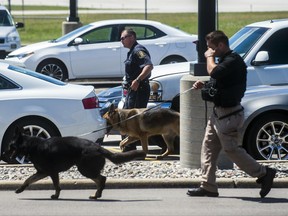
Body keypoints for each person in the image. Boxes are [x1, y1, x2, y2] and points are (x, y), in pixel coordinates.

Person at [187, 30, 276, 198]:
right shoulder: (224, 61)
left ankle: (264, 173)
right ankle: (208, 186)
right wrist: (204, 87)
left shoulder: (233, 61)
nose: (209, 51)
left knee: (231, 150)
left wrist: (208, 57)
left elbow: (214, 72)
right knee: (208, 148)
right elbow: (218, 83)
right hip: (217, 114)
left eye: (211, 48)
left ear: (221, 45)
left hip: (229, 115)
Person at [120, 28, 153, 151]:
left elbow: (149, 66)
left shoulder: (138, 50)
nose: (121, 41)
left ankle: (130, 147)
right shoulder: (132, 51)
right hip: (133, 90)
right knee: (127, 117)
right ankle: (128, 146)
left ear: (132, 37)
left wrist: (138, 80)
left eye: (123, 38)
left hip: (139, 90)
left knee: (131, 118)